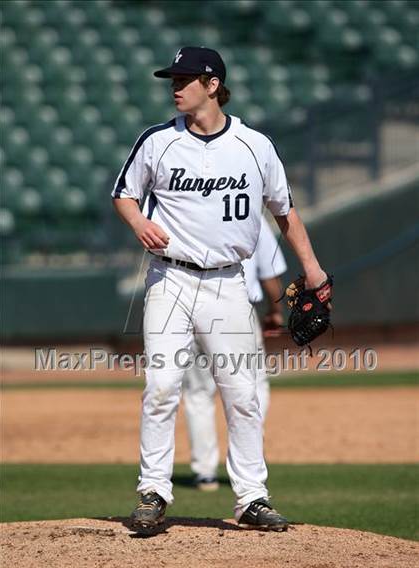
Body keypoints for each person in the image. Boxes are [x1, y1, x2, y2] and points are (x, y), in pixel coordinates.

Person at [112, 46, 328, 533]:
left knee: (242, 393)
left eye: (186, 78)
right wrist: (139, 222)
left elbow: (285, 211)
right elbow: (123, 194)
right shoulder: (157, 141)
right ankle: (153, 490)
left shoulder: (254, 145)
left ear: (213, 85)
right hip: (170, 279)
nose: (176, 86)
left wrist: (312, 270)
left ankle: (252, 497)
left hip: (229, 284)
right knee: (163, 386)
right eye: (174, 78)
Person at [182, 216, 287, 491]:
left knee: (198, 392)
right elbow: (269, 270)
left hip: (188, 307)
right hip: (237, 309)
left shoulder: (184, 208)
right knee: (252, 385)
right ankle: (246, 457)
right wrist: (276, 311)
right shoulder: (250, 210)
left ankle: (205, 473)